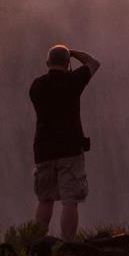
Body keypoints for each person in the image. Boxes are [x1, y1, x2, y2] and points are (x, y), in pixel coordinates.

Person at [29, 44, 100, 240]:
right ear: (67, 63)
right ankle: (67, 243)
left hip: (43, 151)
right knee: (70, 201)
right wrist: (74, 52)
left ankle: (36, 244)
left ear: (47, 63)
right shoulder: (73, 81)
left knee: (45, 199)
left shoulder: (36, 86)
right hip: (70, 150)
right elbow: (94, 63)